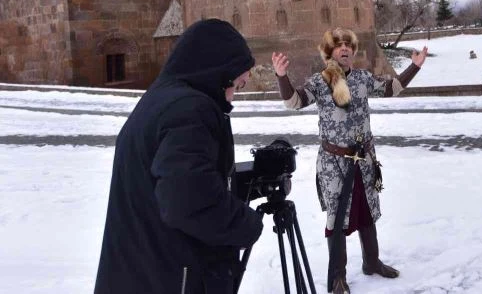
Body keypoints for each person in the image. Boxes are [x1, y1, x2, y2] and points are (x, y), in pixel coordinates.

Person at [95, 19, 264, 294]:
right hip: (169, 276)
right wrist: (246, 225)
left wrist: (245, 181)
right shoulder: (190, 109)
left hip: (143, 272)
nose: (234, 96)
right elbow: (186, 202)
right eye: (238, 84)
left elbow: (174, 178)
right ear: (219, 74)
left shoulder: (164, 99)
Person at [272, 27, 427, 294]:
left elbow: (391, 89)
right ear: (329, 52)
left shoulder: (363, 78)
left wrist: (415, 66)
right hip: (335, 163)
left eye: (348, 45)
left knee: (367, 210)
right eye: (338, 45)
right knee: (336, 218)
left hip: (364, 159)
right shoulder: (320, 81)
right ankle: (337, 277)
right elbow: (294, 102)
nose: (344, 48)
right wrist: (281, 76)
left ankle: (371, 262)